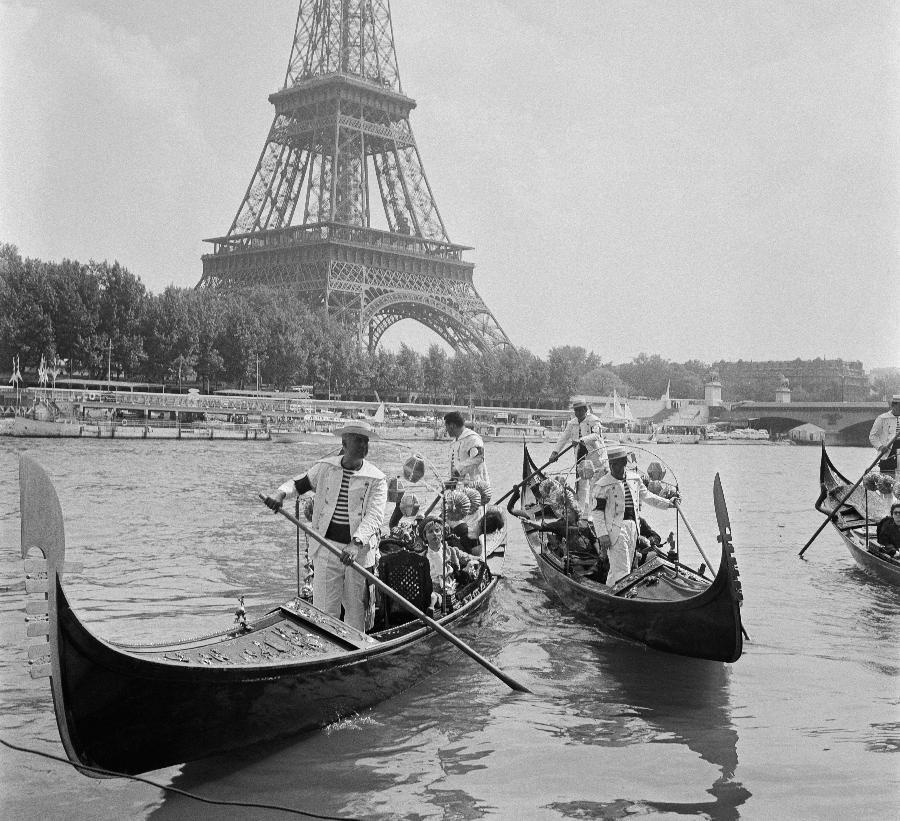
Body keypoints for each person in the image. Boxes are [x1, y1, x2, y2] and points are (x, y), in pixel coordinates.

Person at [264, 421, 387, 632]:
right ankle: (326, 646)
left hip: (357, 553)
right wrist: (280, 494)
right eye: (358, 441)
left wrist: (355, 543)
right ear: (344, 443)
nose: (363, 446)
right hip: (325, 546)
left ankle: (353, 651)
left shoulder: (377, 479)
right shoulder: (325, 467)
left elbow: (375, 516)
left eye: (365, 441)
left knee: (356, 610)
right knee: (323, 609)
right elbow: (299, 484)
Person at [590, 444, 678, 587]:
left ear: (625, 463)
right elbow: (597, 512)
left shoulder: (634, 479)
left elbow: (648, 497)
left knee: (623, 567)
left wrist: (669, 503)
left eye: (619, 465)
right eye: (613, 465)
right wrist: (602, 534)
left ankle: (610, 593)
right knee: (622, 569)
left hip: (634, 527)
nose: (616, 468)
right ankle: (623, 598)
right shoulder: (602, 484)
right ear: (610, 465)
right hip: (615, 529)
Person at [549, 399, 607, 513]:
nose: (578, 413)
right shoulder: (572, 423)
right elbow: (563, 438)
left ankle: (592, 514)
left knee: (594, 487)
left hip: (595, 459)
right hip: (581, 458)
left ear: (586, 409)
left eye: (581, 410)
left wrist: (581, 440)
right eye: (576, 410)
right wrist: (555, 452)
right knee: (581, 486)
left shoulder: (594, 421)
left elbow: (597, 435)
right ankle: (579, 512)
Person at [418, 516, 481, 609]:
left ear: (442, 533)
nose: (435, 534)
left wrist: (477, 560)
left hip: (451, 591)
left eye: (437, 530)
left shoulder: (452, 551)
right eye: (430, 532)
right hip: (431, 594)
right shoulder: (422, 557)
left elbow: (469, 558)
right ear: (425, 536)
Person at [444, 410, 489, 484]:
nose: (446, 430)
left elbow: (479, 458)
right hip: (459, 487)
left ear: (452, 425)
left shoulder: (473, 439)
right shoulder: (454, 443)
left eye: (447, 426)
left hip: (475, 486)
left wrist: (459, 469)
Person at [869, 395, 900, 475]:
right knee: (887, 479)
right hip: (888, 451)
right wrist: (880, 447)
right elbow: (873, 436)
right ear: (893, 406)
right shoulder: (882, 418)